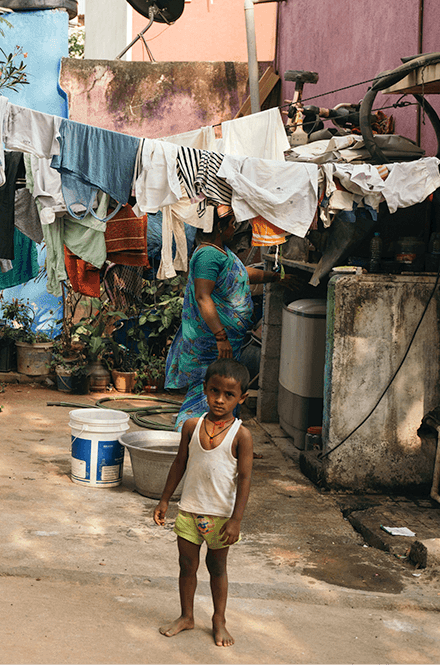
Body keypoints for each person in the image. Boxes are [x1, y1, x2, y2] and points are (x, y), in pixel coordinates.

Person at [153, 358, 254, 648]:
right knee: (187, 565)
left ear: (241, 398)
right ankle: (187, 616)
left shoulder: (242, 436)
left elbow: (245, 479)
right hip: (189, 510)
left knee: (217, 568)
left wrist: (236, 520)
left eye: (229, 395)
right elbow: (179, 464)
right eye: (214, 391)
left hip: (221, 517)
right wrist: (164, 500)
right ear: (205, 390)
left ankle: (218, 620)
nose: (220, 400)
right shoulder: (191, 426)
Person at [164, 207, 280, 429]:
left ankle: (225, 443)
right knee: (205, 395)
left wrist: (275, 278)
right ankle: (188, 442)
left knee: (226, 393)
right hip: (211, 344)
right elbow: (202, 296)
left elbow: (241, 274)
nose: (234, 229)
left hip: (224, 343)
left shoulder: (221, 252)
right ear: (219, 227)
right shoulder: (208, 255)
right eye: (232, 225)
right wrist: (220, 336)